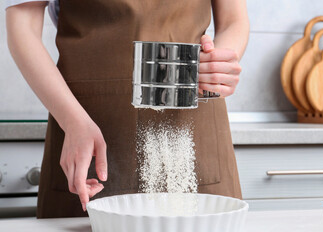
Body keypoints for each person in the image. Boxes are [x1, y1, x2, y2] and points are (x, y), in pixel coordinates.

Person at [6, 0, 250, 218]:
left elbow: (234, 20)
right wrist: (72, 121)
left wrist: (219, 63)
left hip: (192, 126)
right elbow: (22, 24)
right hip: (85, 124)